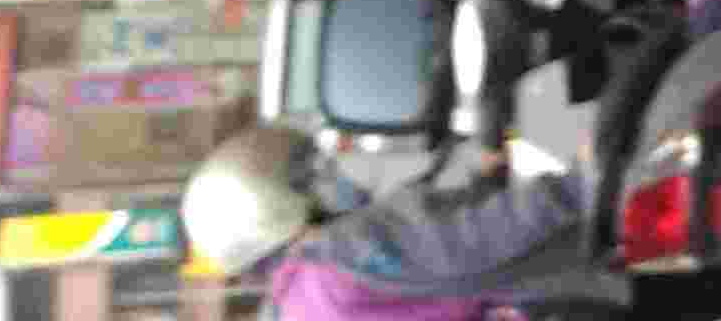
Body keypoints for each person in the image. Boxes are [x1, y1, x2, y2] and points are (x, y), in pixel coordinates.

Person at [180, 118, 596, 321]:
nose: (328, 174)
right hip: (580, 270)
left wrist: (476, 175)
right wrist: (579, 183)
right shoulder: (340, 256)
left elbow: (426, 271)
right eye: (305, 178)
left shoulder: (301, 307)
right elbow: (472, 240)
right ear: (272, 212)